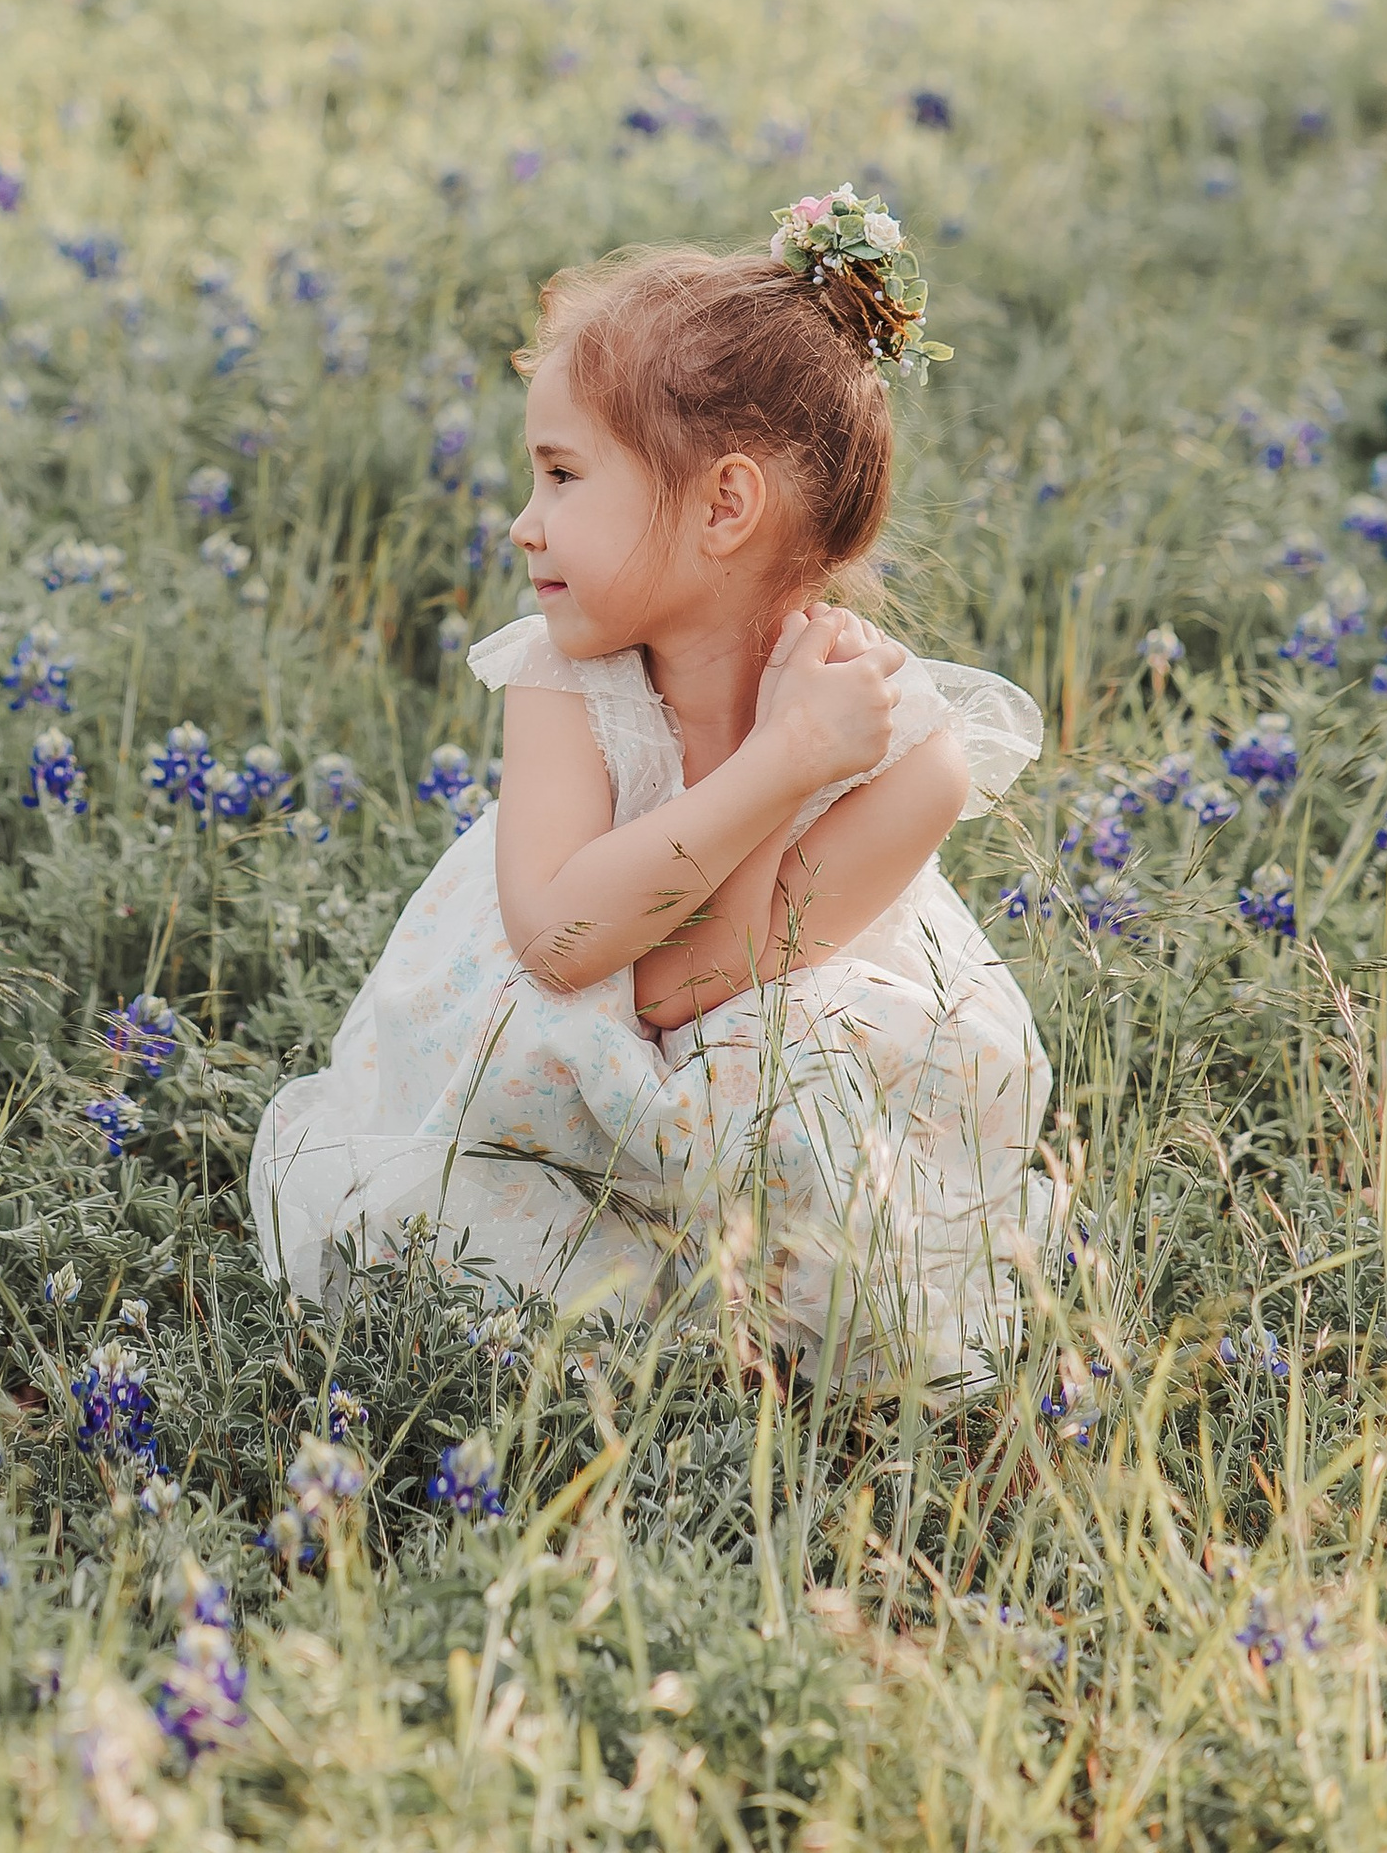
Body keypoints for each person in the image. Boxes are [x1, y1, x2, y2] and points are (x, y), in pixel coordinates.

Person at [248, 194, 1048, 1390]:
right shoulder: (568, 681)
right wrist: (779, 769)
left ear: (724, 506)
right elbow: (569, 948)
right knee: (440, 1238)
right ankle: (662, 1325)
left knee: (851, 1229)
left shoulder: (911, 759)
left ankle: (738, 1327)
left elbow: (692, 1000)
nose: (526, 523)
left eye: (563, 474)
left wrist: (803, 764)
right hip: (548, 1091)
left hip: (749, 1105)